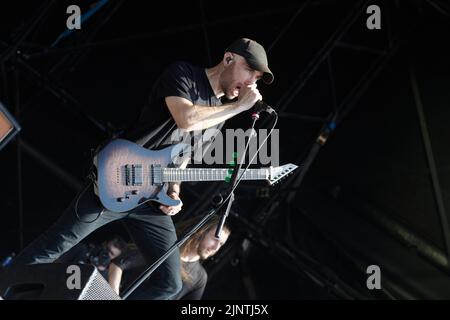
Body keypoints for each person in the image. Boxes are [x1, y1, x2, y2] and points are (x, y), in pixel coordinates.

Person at [11, 38, 273, 300]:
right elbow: (186, 118)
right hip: (118, 181)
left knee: (170, 283)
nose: (252, 83)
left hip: (150, 201)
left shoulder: (219, 118)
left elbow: (180, 159)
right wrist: (238, 107)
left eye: (258, 78)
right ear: (228, 59)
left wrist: (173, 190)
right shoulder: (184, 74)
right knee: (54, 246)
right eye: (250, 71)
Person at [108, 215, 231, 300]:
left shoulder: (200, 277)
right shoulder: (164, 250)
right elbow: (118, 264)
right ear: (201, 231)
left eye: (221, 244)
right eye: (215, 239)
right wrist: (113, 296)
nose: (216, 247)